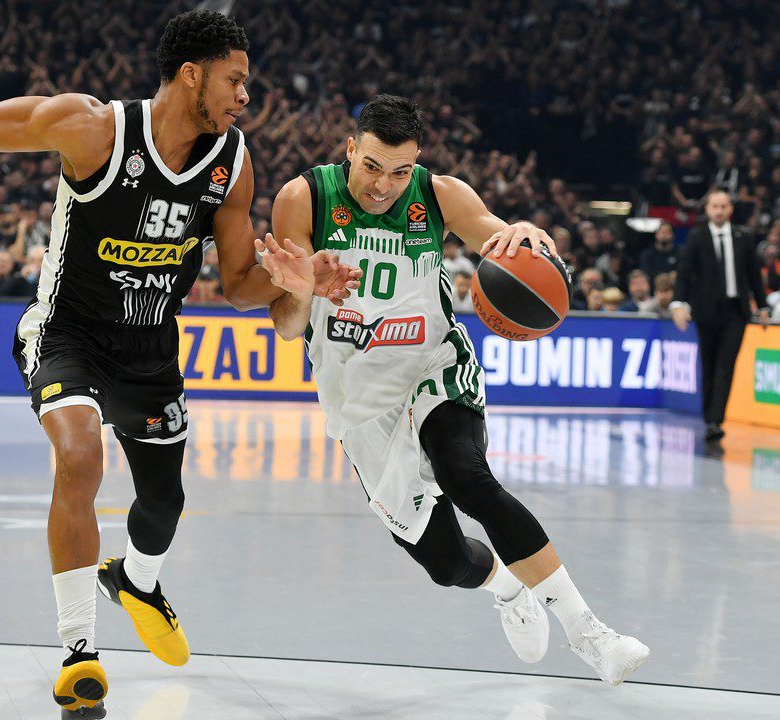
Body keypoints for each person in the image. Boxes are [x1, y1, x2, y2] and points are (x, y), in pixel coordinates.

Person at [0, 11, 356, 715]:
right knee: (79, 457)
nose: (245, 95)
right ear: (191, 75)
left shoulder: (233, 160)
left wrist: (294, 280)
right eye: (234, 79)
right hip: (66, 332)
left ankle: (136, 580)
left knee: (164, 503)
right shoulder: (95, 128)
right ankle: (79, 654)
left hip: (149, 352)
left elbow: (236, 283)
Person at [259, 94, 648, 686]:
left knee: (466, 475)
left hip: (431, 364)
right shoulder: (305, 198)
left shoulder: (440, 195)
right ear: (350, 149)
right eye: (372, 166)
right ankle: (507, 588)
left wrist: (520, 233)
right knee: (445, 563)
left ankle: (590, 634)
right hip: (358, 400)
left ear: (415, 163)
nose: (384, 185)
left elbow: (499, 239)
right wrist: (302, 288)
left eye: (400, 171)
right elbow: (288, 327)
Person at [672, 190, 768, 441]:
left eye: (723, 206)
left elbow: (754, 274)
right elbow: (684, 272)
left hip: (736, 311)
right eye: (715, 206)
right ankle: (709, 416)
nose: (719, 211)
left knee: (726, 365)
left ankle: (716, 419)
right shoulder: (697, 237)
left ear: (730, 209)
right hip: (706, 311)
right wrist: (678, 304)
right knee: (709, 364)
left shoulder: (743, 237)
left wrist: (763, 305)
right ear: (707, 209)